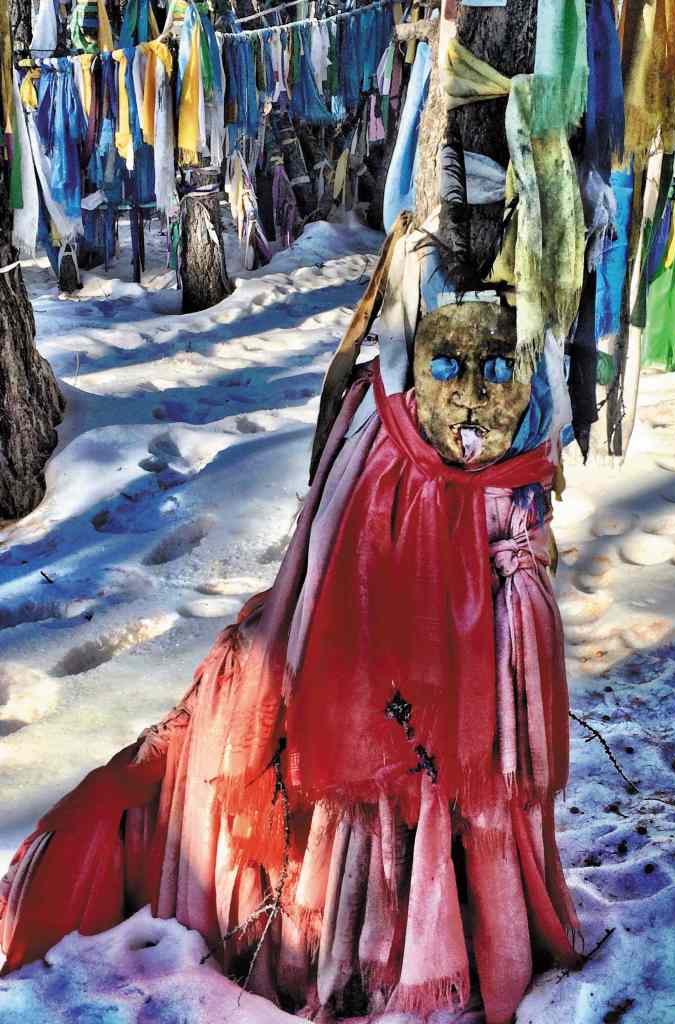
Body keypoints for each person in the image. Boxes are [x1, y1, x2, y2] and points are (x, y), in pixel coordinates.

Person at [0, 229, 580, 1022]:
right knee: (377, 743)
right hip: (389, 598)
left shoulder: (503, 458)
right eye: (448, 369)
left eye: (496, 372)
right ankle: (387, 943)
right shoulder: (389, 446)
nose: (473, 396)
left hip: (471, 569)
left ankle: (463, 922)